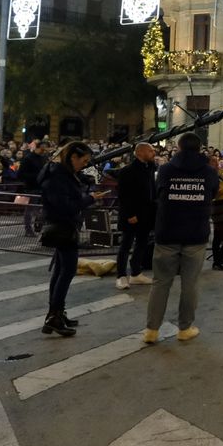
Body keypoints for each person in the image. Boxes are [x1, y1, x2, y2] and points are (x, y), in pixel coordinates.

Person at [145, 133, 220, 344]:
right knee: (190, 284)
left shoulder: (166, 170)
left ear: (178, 147)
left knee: (160, 282)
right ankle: (184, 328)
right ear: (200, 149)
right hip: (195, 234)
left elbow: (157, 194)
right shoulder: (208, 171)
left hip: (167, 232)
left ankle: (151, 330)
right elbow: (213, 192)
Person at [39, 142, 105, 338]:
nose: (83, 165)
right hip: (63, 226)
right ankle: (54, 316)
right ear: (72, 158)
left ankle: (57, 313)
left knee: (60, 270)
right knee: (66, 271)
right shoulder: (59, 177)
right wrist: (89, 199)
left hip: (64, 225)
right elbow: (65, 205)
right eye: (83, 161)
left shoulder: (61, 174)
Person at [113, 142, 158, 290]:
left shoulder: (150, 169)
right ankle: (121, 276)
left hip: (146, 215)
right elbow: (123, 195)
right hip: (132, 216)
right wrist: (130, 214)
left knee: (141, 244)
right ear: (140, 153)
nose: (154, 153)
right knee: (126, 245)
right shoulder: (128, 171)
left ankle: (136, 273)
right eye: (150, 151)